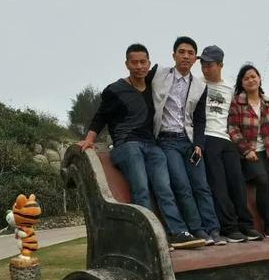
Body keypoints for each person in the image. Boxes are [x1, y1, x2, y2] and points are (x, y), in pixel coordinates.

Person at [78, 43, 205, 249]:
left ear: (149, 63)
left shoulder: (153, 86)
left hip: (151, 145)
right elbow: (101, 116)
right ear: (127, 64)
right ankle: (149, 235)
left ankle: (178, 232)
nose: (139, 66)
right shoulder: (115, 89)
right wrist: (90, 139)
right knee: (142, 188)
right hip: (126, 145)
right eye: (134, 62)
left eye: (143, 62)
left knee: (164, 188)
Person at [151, 36, 225, 246]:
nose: (185, 56)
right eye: (181, 52)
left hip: (189, 141)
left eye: (190, 53)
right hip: (167, 141)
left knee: (201, 185)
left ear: (195, 59)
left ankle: (213, 229)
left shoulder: (200, 86)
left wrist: (199, 145)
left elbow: (200, 119)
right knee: (182, 185)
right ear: (173, 54)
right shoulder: (158, 74)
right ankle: (197, 230)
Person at [199, 45, 263, 242]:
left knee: (237, 182)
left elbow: (242, 115)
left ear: (220, 65)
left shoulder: (229, 89)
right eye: (203, 64)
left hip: (227, 139)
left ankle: (246, 224)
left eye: (209, 64)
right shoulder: (195, 83)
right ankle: (229, 227)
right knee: (218, 184)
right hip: (206, 137)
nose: (205, 68)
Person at [228, 63, 269, 238]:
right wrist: (246, 150)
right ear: (242, 82)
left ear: (259, 78)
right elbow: (232, 128)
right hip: (250, 153)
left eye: (253, 76)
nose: (251, 80)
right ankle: (268, 225)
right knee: (262, 180)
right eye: (246, 78)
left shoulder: (268, 102)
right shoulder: (237, 102)